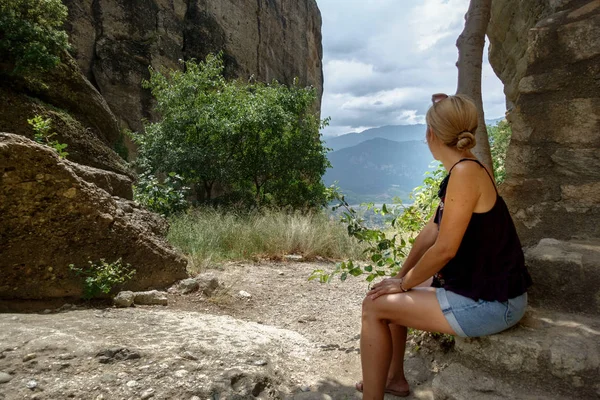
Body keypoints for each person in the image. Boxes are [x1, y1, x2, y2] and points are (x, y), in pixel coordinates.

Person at [356, 93, 532, 400]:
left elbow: (445, 249)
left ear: (431, 134)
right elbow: (432, 232)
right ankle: (394, 379)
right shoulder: (466, 168)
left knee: (373, 307)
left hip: (492, 303)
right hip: (483, 288)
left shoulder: (464, 174)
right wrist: (398, 279)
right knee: (389, 294)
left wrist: (404, 283)